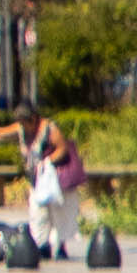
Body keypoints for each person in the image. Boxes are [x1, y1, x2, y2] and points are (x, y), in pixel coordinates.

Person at [16, 103, 84, 256]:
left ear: (32, 119)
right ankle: (42, 244)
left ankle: (60, 246)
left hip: (54, 179)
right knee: (38, 213)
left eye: (24, 123)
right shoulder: (23, 130)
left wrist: (47, 161)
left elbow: (62, 148)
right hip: (37, 180)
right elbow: (0, 132)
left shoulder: (49, 129)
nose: (22, 127)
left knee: (59, 213)